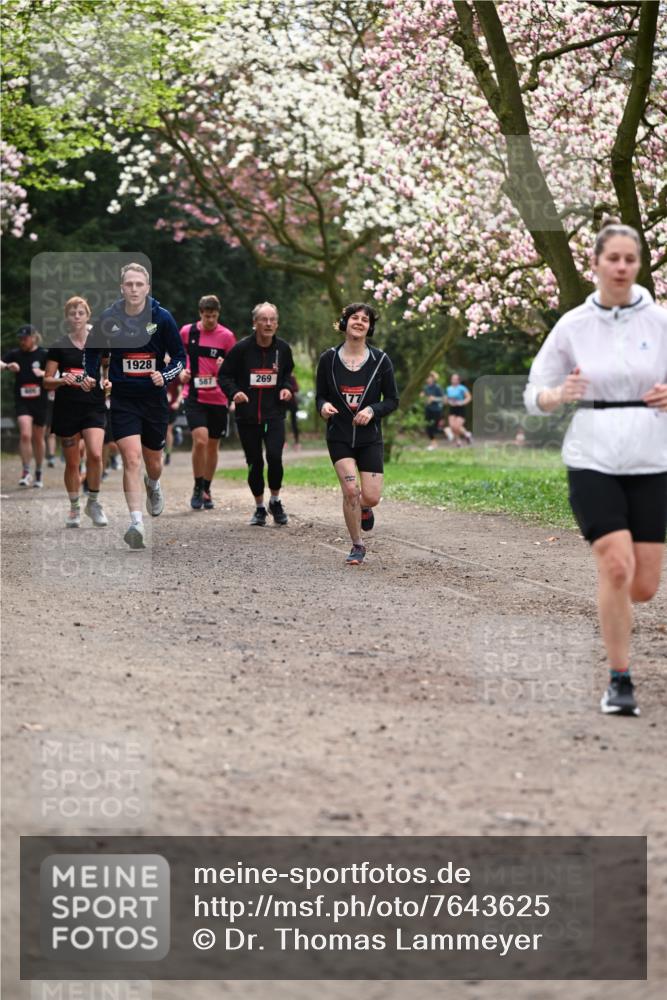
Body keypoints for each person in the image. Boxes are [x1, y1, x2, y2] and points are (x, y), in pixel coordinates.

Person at [524, 217, 667, 717]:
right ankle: (619, 678)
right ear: (596, 265)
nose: (623, 267)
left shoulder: (660, 321)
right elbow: (534, 392)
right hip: (592, 456)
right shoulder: (573, 326)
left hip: (652, 457)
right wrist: (559, 394)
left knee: (645, 585)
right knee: (616, 563)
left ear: (639, 264)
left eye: (631, 259)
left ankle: (620, 612)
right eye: (614, 258)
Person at [82, 262, 185, 549]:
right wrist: (91, 376)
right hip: (124, 399)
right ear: (122, 288)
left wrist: (163, 375)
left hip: (153, 399)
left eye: (139, 284)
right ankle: (136, 522)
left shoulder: (161, 318)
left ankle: (153, 484)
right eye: (129, 284)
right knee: (131, 459)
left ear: (147, 287)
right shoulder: (109, 318)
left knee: (153, 463)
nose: (134, 289)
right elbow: (92, 351)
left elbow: (179, 358)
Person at [316, 302, 399, 565]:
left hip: (369, 438)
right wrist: (323, 406)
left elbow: (392, 400)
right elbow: (319, 396)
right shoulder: (328, 359)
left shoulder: (380, 360)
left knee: (370, 497)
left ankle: (364, 508)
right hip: (339, 435)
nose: (359, 322)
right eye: (354, 318)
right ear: (344, 322)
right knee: (351, 490)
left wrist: (373, 410)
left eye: (365, 319)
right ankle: (357, 545)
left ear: (369, 327)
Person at [218, 302, 294, 525]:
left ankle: (276, 501)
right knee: (255, 463)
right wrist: (235, 393)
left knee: (274, 457)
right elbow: (224, 376)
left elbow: (287, 376)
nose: (268, 323)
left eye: (272, 320)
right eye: (264, 319)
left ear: (277, 324)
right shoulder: (241, 349)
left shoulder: (283, 349)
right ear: (255, 323)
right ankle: (260, 507)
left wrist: (287, 389)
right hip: (248, 417)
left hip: (274, 415)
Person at [43, 296, 108, 528]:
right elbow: (46, 380)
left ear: (88, 315)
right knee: (72, 463)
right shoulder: (59, 345)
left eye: (81, 313)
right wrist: (61, 380)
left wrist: (108, 383)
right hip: (67, 408)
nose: (77, 317)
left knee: (96, 454)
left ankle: (93, 501)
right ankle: (74, 507)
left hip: (93, 405)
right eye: (73, 313)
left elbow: (108, 369)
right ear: (67, 318)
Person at [179, 294, 236, 508]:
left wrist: (225, 367)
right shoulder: (187, 332)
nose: (210, 320)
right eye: (206, 316)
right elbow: (178, 356)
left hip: (218, 396)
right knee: (200, 440)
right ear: (200, 313)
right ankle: (196, 486)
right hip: (193, 395)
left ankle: (207, 488)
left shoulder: (227, 336)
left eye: (213, 316)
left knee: (212, 445)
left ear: (218, 314)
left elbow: (235, 367)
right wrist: (181, 372)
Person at [1, 325, 48, 487]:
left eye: (25, 338)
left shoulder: (43, 354)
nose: (22, 341)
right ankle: (26, 471)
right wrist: (8, 366)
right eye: (20, 338)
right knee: (25, 435)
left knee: (38, 437)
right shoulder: (15, 354)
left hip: (40, 401)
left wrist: (44, 374)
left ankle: (39, 471)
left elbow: (56, 372)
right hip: (22, 400)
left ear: (34, 337)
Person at [420, 371, 446, 450]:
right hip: (428, 409)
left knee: (435, 428)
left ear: (433, 378)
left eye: (429, 377)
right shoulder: (426, 387)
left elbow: (444, 399)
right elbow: (424, 398)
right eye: (427, 377)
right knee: (428, 427)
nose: (428, 379)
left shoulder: (437, 387)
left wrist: (434, 399)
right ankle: (433, 444)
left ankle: (447, 430)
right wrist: (423, 397)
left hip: (436, 410)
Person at [446, 373, 473, 446]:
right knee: (452, 426)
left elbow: (469, 397)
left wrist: (462, 402)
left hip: (460, 408)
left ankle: (467, 434)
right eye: (452, 379)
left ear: (458, 380)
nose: (454, 380)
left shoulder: (462, 388)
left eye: (455, 379)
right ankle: (459, 440)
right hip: (452, 408)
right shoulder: (448, 388)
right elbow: (447, 399)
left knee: (457, 426)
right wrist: (448, 401)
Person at [285, 372, 301, 449]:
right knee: (281, 422)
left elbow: (297, 388)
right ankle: (284, 442)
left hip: (292, 402)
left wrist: (288, 389)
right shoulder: (282, 376)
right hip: (283, 402)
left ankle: (297, 442)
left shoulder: (292, 377)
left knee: (294, 423)